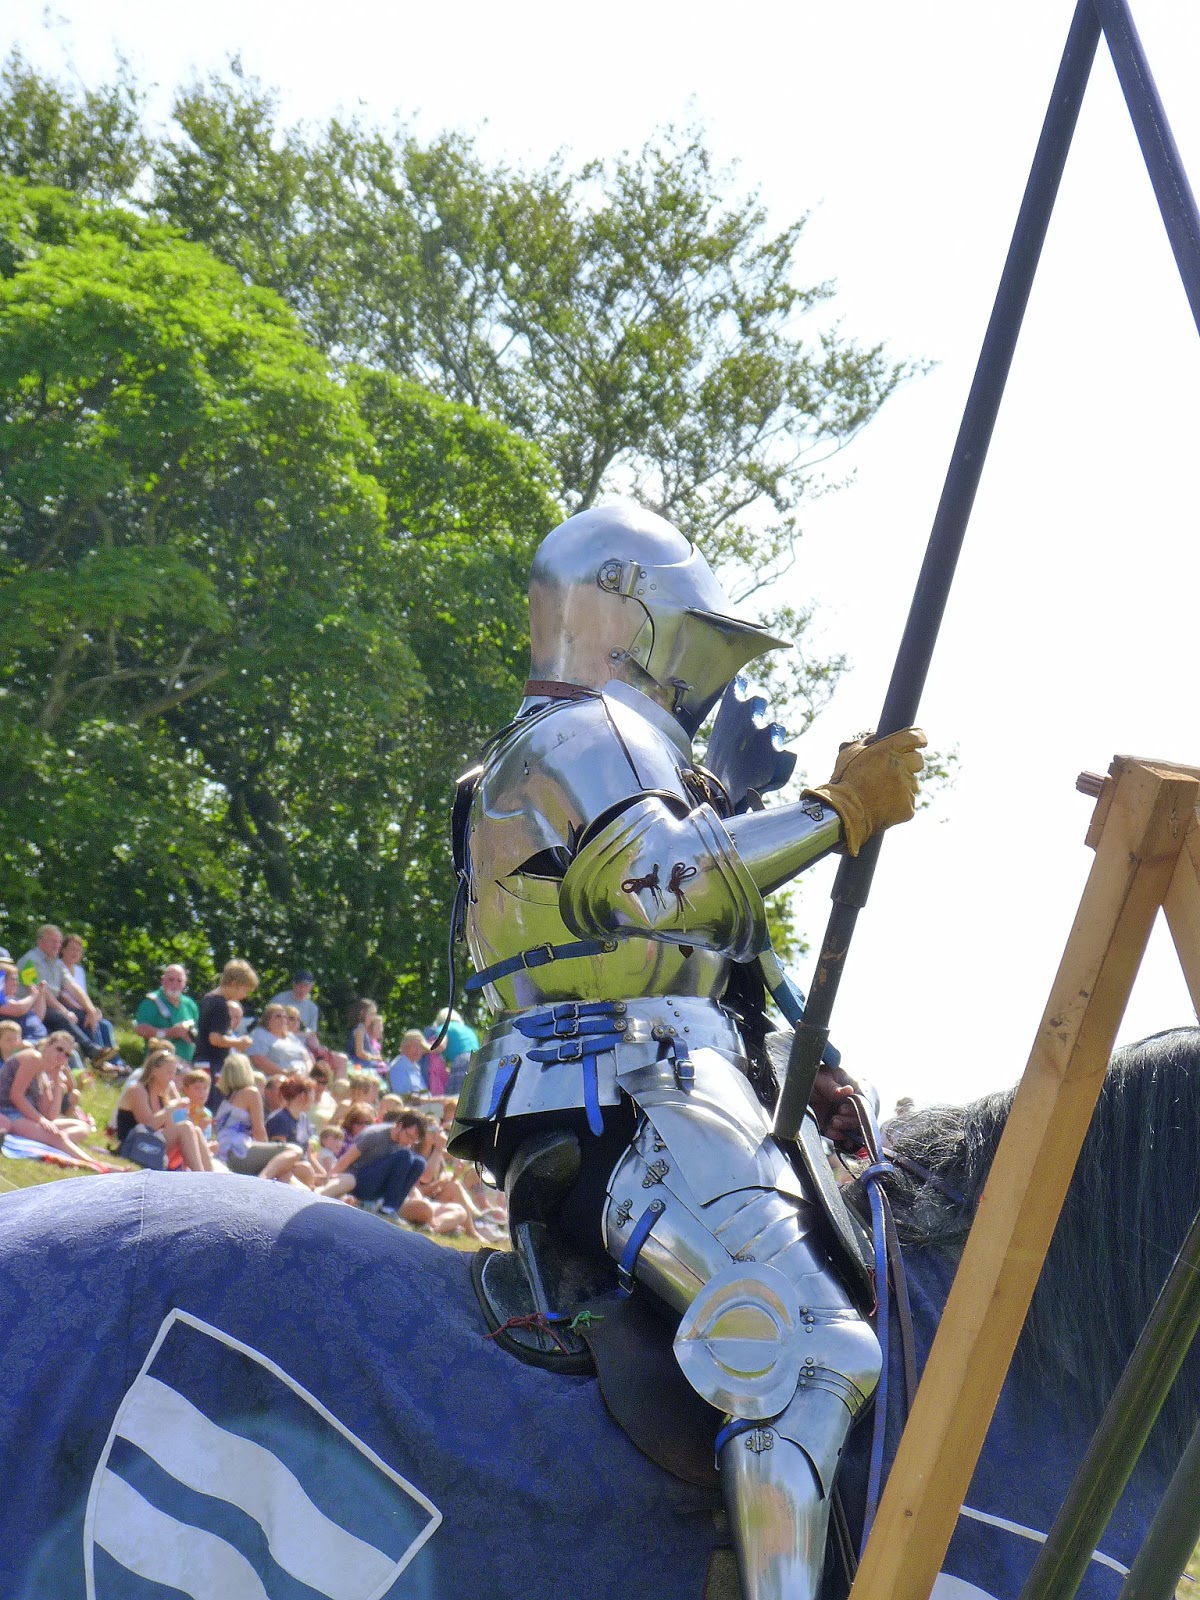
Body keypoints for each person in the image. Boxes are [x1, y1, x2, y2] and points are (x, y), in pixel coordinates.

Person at [446, 503, 925, 1600]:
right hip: (633, 1090)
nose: (698, 683)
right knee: (815, 1354)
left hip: (645, 1083)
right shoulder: (588, 730)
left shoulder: (584, 743)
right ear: (625, 611)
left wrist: (736, 799)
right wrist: (835, 810)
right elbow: (667, 881)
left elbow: (674, 917)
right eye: (691, 642)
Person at [0, 1032, 107, 1168]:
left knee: (83, 1127)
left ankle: (51, 1141)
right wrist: (40, 1120)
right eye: (59, 1049)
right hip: (8, 1111)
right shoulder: (33, 1057)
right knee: (56, 1136)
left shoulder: (44, 1076)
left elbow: (50, 1115)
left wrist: (57, 1080)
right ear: (47, 1046)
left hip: (23, 1116)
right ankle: (97, 1165)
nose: (61, 1056)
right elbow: (16, 1096)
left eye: (67, 1055)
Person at [13, 926, 115, 1066]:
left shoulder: (57, 963)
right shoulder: (29, 961)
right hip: (32, 1008)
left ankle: (101, 1058)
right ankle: (93, 1051)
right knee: (61, 1017)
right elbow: (43, 993)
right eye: (53, 941)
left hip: (51, 1007)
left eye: (59, 942)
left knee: (85, 1015)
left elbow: (73, 987)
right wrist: (65, 1011)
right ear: (40, 942)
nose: (57, 945)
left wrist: (90, 1009)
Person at [114, 1051, 214, 1172]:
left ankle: (210, 1177)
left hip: (152, 1142)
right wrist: (170, 1109)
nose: (172, 1077)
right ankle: (200, 1175)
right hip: (133, 1144)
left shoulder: (164, 1093)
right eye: (169, 1072)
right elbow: (147, 1127)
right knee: (186, 1127)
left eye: (174, 1073)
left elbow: (170, 1127)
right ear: (155, 1071)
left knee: (195, 1130)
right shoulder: (137, 1089)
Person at [211, 1052, 304, 1181]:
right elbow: (259, 1131)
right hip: (238, 1152)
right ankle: (263, 1179)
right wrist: (266, 1156)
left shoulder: (226, 1100)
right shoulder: (250, 1092)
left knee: (284, 1173)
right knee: (294, 1150)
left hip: (223, 1152)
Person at [324, 1108, 426, 1217]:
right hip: (359, 1180)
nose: (409, 1142)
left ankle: (392, 1208)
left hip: (379, 1185)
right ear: (400, 1126)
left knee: (419, 1162)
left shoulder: (403, 1145)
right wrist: (329, 1180)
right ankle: (387, 1207)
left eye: (414, 1140)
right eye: (408, 1136)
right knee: (404, 1155)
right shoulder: (375, 1134)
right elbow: (345, 1160)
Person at [193, 960, 257, 1105]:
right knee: (214, 1105)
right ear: (234, 984)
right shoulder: (221, 1005)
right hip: (213, 1063)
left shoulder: (208, 998)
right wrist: (239, 1042)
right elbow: (215, 1038)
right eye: (244, 990)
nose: (244, 996)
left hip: (201, 1060)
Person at [133, 964, 200, 1063]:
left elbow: (199, 1030)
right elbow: (141, 1029)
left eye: (179, 981)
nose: (175, 984)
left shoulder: (190, 1004)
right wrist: (169, 1032)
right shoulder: (151, 1002)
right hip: (158, 1064)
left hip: (187, 1063)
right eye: (171, 980)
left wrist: (191, 1035)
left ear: (185, 983)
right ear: (163, 981)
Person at [267, 970, 323, 1057]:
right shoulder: (278, 1000)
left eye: (306, 986)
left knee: (338, 1058)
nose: (302, 989)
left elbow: (312, 1034)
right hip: (278, 1041)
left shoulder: (313, 1008)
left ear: (311, 986)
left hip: (302, 1045)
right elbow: (268, 1026)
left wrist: (319, 1050)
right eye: (299, 985)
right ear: (293, 984)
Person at [431, 1008, 478, 1096]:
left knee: (456, 1096)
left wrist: (424, 1048)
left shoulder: (444, 1027)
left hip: (461, 1061)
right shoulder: (467, 1029)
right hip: (477, 1060)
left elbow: (440, 1045)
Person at [387, 1029, 428, 1096]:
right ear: (404, 1047)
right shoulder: (398, 1067)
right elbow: (403, 1097)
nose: (418, 1051)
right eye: (414, 1046)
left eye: (420, 1047)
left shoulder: (415, 1066)